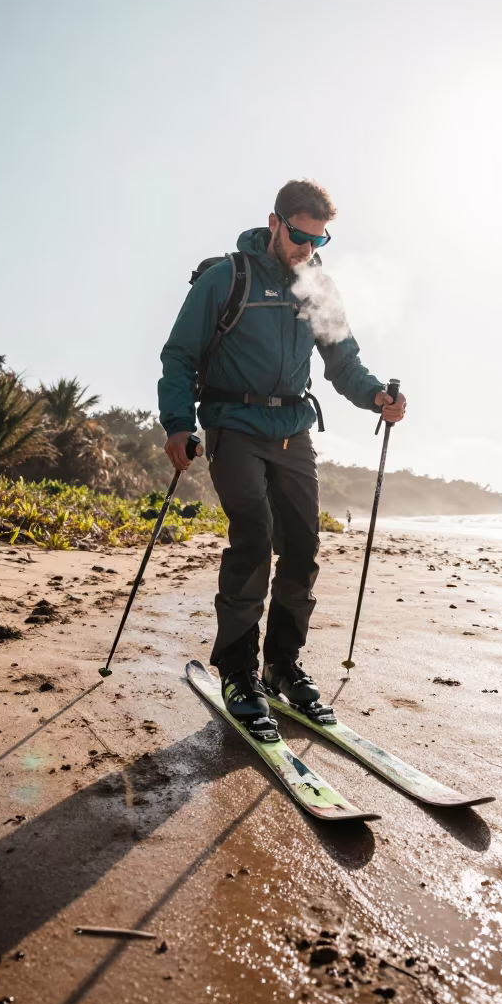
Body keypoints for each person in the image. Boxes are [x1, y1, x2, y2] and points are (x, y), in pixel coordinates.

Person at [158, 179, 406, 728]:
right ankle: (239, 670)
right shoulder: (226, 278)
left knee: (302, 545)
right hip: (232, 425)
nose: (307, 249)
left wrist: (376, 397)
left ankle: (282, 665)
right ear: (274, 224)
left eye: (318, 240)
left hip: (292, 429)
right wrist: (178, 424)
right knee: (254, 534)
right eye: (299, 236)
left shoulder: (317, 287)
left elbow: (343, 362)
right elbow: (179, 356)